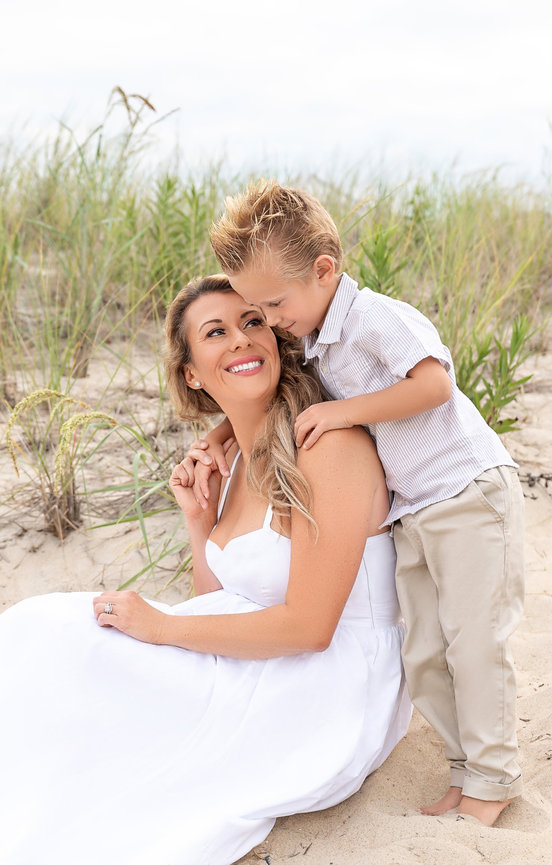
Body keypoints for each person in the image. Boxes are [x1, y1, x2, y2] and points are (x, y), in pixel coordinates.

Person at [0, 275, 411, 865]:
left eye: (252, 322)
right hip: (257, 657)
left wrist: (163, 629)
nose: (242, 340)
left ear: (277, 338)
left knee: (82, 677)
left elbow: (309, 627)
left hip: (327, 683)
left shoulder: (329, 446)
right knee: (41, 633)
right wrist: (199, 521)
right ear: (193, 372)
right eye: (216, 332)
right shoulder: (239, 454)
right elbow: (223, 599)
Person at [190, 181, 525, 828]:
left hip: (466, 492)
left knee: (474, 639)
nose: (270, 318)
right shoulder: (310, 334)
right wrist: (218, 433)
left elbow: (433, 383)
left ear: (325, 270)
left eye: (273, 303)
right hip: (415, 511)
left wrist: (346, 410)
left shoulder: (376, 317)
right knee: (426, 647)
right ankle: (465, 772)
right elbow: (270, 387)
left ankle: (493, 778)